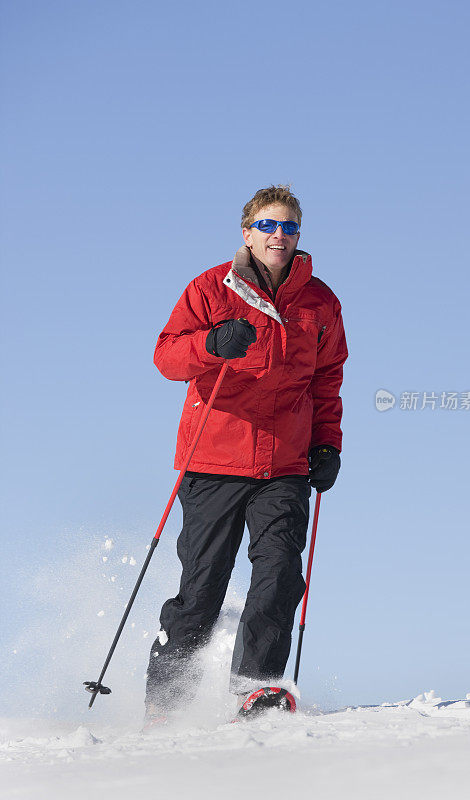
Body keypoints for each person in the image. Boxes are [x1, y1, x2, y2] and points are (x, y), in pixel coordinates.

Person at [145, 185, 348, 724]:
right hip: (214, 458)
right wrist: (210, 345)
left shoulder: (320, 302)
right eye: (267, 225)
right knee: (202, 587)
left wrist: (328, 444)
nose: (278, 235)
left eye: (289, 227)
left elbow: (328, 380)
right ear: (247, 232)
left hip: (285, 463)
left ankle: (257, 689)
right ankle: (165, 701)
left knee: (280, 574)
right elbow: (167, 356)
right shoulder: (211, 289)